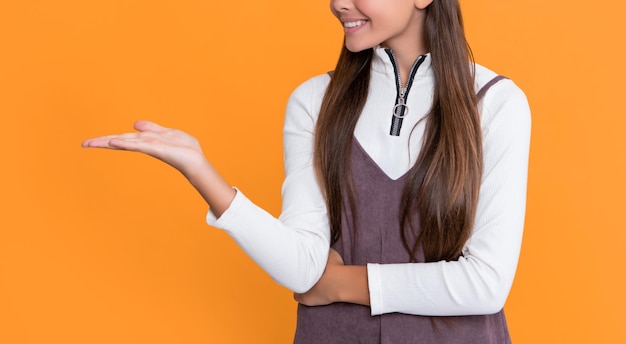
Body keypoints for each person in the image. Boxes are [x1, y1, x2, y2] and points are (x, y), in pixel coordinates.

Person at [82, 0, 531, 342]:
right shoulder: (315, 101)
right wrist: (203, 173)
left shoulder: (495, 104)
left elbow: (485, 285)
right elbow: (302, 268)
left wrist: (340, 282)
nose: (337, 3)